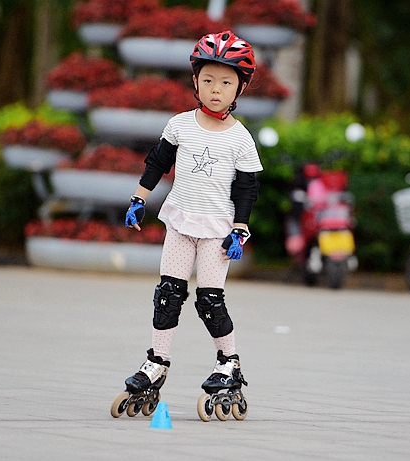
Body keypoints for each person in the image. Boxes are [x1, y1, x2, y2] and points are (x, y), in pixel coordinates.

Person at [121, 31, 262, 399]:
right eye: (209, 80)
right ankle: (156, 362)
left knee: (209, 300)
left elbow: (246, 189)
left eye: (226, 82)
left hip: (217, 231)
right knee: (168, 294)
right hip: (181, 223)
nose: (217, 89)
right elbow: (158, 163)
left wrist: (239, 229)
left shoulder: (241, 140)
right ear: (195, 82)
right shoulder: (180, 125)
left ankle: (228, 362)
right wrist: (138, 199)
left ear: (240, 89)